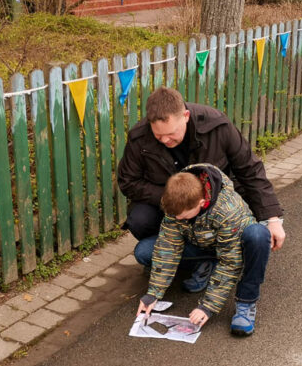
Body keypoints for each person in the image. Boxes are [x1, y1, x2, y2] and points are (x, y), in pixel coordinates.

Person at [117, 87, 285, 291]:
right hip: (171, 207)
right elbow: (128, 181)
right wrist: (176, 197)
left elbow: (250, 169)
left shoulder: (217, 125)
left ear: (185, 116)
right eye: (158, 135)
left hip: (217, 203)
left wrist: (272, 218)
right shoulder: (139, 137)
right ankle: (193, 259)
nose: (164, 141)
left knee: (253, 233)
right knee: (139, 223)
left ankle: (215, 257)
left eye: (170, 134)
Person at [135, 163, 272, 336]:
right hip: (202, 242)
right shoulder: (175, 200)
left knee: (258, 236)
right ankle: (207, 262)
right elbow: (168, 246)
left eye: (183, 216)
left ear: (201, 203)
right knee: (144, 252)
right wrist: (153, 293)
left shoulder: (228, 210)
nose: (178, 218)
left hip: (235, 245)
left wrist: (208, 307)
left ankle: (246, 301)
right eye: (175, 215)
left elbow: (230, 262)